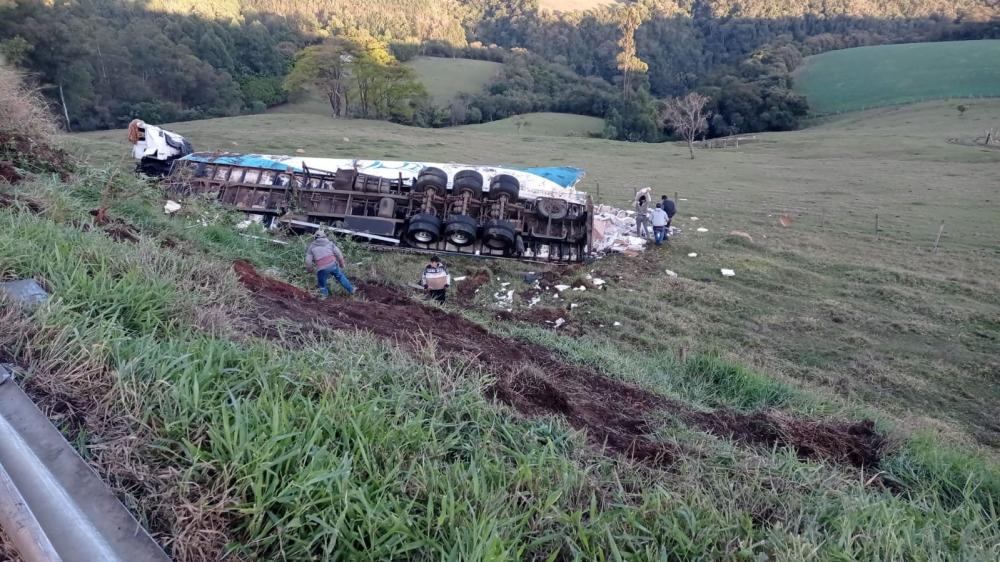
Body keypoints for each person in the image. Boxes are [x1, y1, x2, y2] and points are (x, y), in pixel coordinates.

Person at [305, 230, 354, 297]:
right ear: (324, 236)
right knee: (340, 276)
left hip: (322, 268)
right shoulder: (330, 243)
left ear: (315, 238)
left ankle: (324, 297)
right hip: (333, 265)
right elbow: (339, 254)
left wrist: (309, 270)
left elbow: (308, 261)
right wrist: (342, 264)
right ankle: (351, 290)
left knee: (322, 284)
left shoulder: (311, 247)